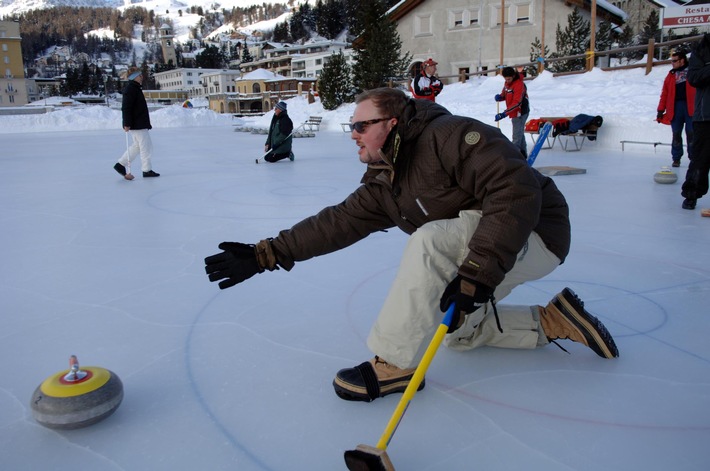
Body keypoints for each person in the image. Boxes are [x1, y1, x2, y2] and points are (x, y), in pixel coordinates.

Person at [204, 87, 618, 403]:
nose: (353, 134)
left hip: (534, 231)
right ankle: (552, 321)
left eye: (361, 125)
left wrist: (478, 272)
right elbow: (338, 222)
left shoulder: (450, 136)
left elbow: (514, 191)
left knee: (430, 240)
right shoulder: (386, 181)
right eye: (351, 126)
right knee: (453, 330)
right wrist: (268, 253)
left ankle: (395, 364)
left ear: (393, 123)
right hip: (489, 239)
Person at [113, 66, 160, 178]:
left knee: (137, 146)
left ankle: (121, 164)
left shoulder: (135, 88)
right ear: (134, 77)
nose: (142, 77)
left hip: (138, 123)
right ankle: (146, 170)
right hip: (138, 124)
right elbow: (126, 108)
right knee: (145, 147)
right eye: (140, 76)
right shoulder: (131, 90)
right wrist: (126, 123)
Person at [682, 34, 710, 210]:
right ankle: (691, 194)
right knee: (700, 158)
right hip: (705, 115)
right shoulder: (701, 49)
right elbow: (693, 77)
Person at [657, 49, 695, 168]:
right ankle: (676, 158)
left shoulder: (693, 73)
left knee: (691, 133)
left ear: (682, 60)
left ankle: (693, 158)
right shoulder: (671, 75)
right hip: (675, 108)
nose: (672, 63)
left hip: (691, 108)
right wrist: (660, 110)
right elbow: (665, 93)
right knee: (676, 133)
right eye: (672, 61)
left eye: (675, 61)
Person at [494, 66, 530, 157]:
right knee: (519, 133)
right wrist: (500, 97)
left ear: (513, 76)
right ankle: (523, 154)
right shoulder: (507, 83)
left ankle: (515, 158)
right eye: (505, 79)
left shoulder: (519, 85)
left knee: (516, 137)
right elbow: (505, 94)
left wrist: (504, 114)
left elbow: (517, 103)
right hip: (513, 112)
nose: (507, 80)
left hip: (520, 112)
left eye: (509, 79)